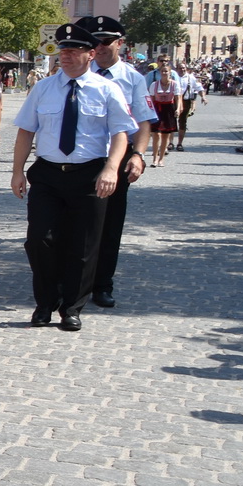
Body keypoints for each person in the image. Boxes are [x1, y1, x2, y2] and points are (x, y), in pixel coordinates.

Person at [10, 22, 137, 333]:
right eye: (62, 49)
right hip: (48, 175)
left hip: (89, 175)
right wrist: (16, 171)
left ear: (90, 54)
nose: (65, 55)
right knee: (39, 239)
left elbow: (120, 132)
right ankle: (45, 301)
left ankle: (71, 307)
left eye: (73, 50)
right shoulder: (43, 88)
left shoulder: (107, 90)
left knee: (83, 246)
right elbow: (26, 131)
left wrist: (111, 168)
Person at [80, 16, 154, 310]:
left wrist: (138, 154)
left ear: (119, 44)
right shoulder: (80, 73)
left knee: (109, 226)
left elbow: (144, 121)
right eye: (95, 42)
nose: (99, 47)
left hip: (116, 160)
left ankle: (102, 284)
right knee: (75, 223)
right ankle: (71, 281)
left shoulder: (133, 79)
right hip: (83, 158)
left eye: (106, 42)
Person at [147, 65, 177, 167]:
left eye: (166, 71)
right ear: (160, 73)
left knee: (165, 135)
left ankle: (161, 159)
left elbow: (178, 98)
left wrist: (178, 109)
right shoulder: (154, 85)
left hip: (169, 109)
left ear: (170, 73)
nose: (164, 73)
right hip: (157, 109)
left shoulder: (174, 85)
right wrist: (149, 111)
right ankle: (155, 158)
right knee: (156, 135)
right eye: (163, 71)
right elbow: (151, 99)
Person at [176, 66, 203, 150]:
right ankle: (170, 142)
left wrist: (203, 97)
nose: (182, 69)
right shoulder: (173, 76)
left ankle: (179, 143)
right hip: (174, 100)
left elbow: (198, 87)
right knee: (171, 122)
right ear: (177, 69)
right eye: (180, 68)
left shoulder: (190, 77)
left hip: (186, 101)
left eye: (183, 68)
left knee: (182, 122)